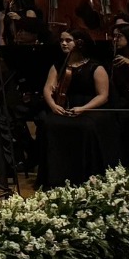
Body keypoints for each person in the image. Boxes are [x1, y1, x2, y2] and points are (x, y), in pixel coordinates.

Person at [37, 29, 112, 188]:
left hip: (90, 108)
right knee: (49, 123)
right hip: (65, 106)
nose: (63, 43)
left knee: (86, 126)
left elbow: (103, 96)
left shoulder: (95, 67)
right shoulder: (58, 65)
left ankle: (86, 176)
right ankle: (56, 178)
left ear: (79, 43)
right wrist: (53, 105)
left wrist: (84, 108)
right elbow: (47, 88)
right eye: (61, 40)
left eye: (68, 40)